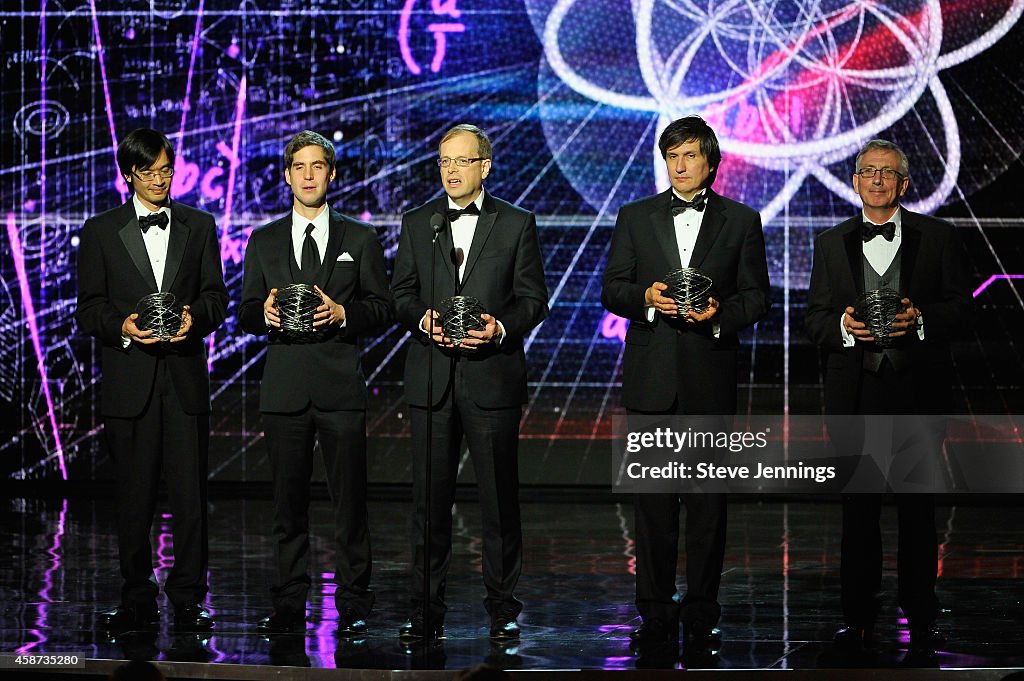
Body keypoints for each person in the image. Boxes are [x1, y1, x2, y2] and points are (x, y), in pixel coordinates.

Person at [601, 115, 770, 651]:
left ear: (711, 162)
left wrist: (720, 315)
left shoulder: (742, 221)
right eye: (671, 155)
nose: (679, 164)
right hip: (652, 383)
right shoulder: (635, 216)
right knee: (651, 511)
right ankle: (653, 610)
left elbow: (757, 297)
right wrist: (647, 301)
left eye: (690, 155)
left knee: (706, 509)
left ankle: (701, 608)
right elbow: (613, 289)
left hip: (708, 381)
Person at [804, 139, 973, 654]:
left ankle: (921, 616)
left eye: (887, 173)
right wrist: (844, 326)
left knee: (919, 514)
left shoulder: (939, 238)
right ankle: (857, 617)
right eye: (867, 172)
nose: (877, 180)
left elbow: (962, 309)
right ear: (855, 182)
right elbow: (814, 318)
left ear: (904, 184)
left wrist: (920, 320)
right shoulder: (831, 244)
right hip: (856, 393)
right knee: (858, 515)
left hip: (918, 392)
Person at [391, 123, 548, 642]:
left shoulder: (516, 223)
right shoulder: (419, 223)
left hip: (491, 378)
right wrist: (423, 321)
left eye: (461, 161)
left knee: (499, 500)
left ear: (484, 165)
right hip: (432, 379)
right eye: (443, 161)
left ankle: (502, 606)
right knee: (428, 502)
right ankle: (426, 609)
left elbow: (533, 299)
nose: (451, 170)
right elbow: (402, 294)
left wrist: (500, 329)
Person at [238, 130, 391, 635]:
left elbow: (383, 307)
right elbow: (243, 311)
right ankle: (288, 602)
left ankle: (353, 605)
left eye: (317, 166)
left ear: (331, 173)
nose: (308, 175)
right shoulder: (262, 240)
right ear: (287, 176)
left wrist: (344, 313)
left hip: (340, 389)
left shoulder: (360, 238)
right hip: (284, 390)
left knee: (350, 505)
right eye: (299, 167)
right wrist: (261, 314)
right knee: (287, 506)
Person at [76, 128, 228, 632]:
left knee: (189, 500)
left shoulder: (199, 225)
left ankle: (188, 598)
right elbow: (89, 309)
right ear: (128, 175)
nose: (161, 179)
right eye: (150, 171)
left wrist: (194, 319)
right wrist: (123, 325)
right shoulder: (101, 231)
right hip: (130, 383)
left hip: (184, 380)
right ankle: (136, 595)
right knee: (133, 499)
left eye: (167, 169)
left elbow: (215, 298)